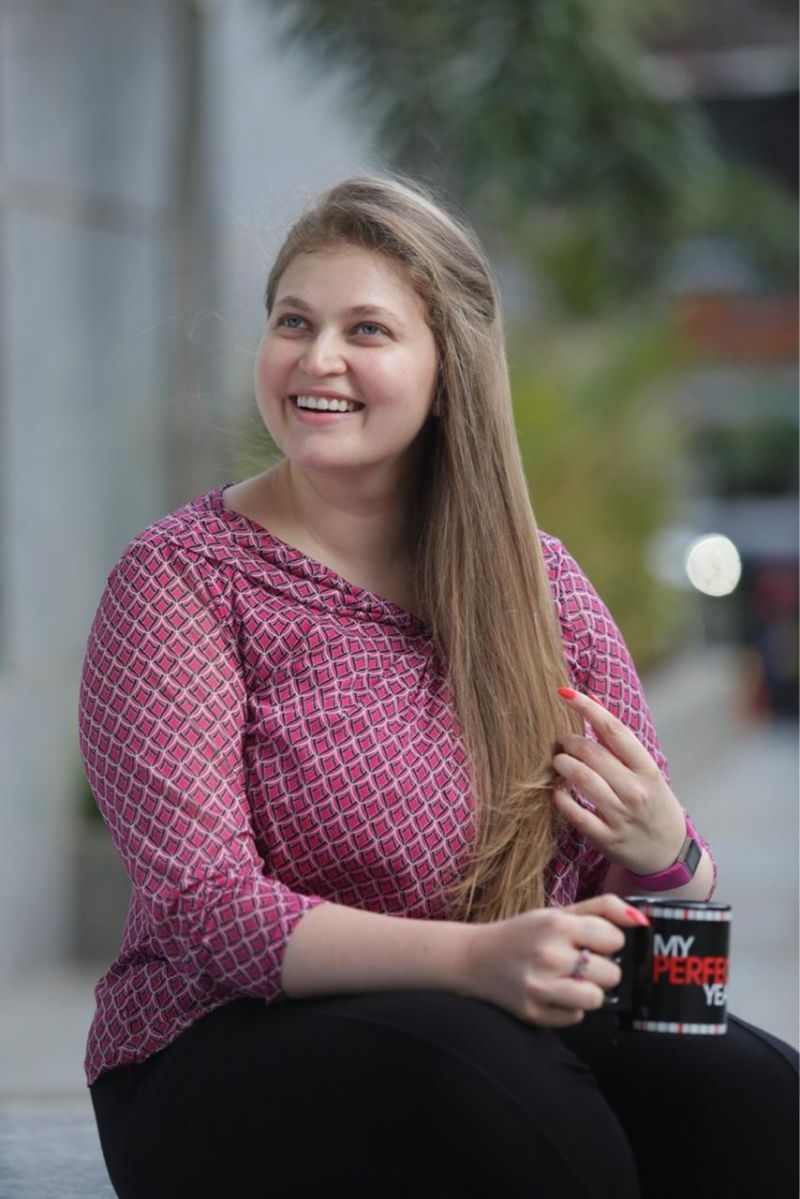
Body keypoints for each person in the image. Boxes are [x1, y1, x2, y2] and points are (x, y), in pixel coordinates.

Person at [80, 175, 797, 1199]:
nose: (317, 358)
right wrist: (478, 960)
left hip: (488, 1028)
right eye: (294, 321)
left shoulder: (535, 581)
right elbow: (211, 909)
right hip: (216, 1048)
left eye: (365, 329)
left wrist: (669, 858)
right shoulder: (183, 580)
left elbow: (648, 956)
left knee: (756, 1099)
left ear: (445, 367)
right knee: (522, 1112)